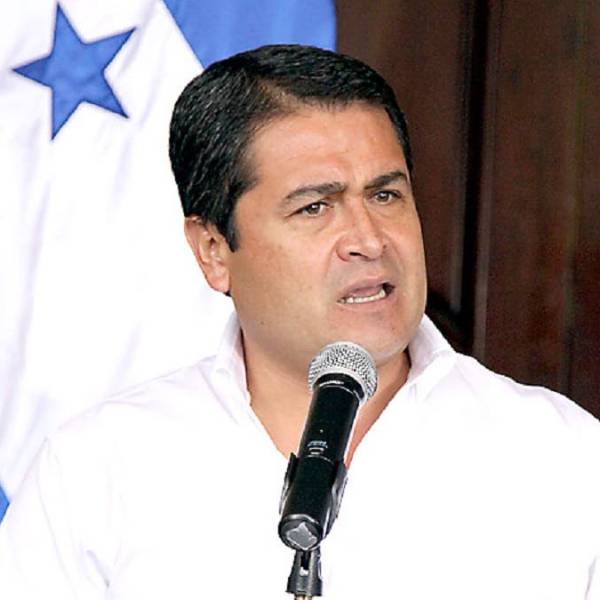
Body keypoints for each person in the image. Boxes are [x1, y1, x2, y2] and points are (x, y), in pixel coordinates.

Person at [0, 44, 599, 600]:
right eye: (315, 207)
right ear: (213, 250)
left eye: (385, 196)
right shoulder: (95, 471)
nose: (368, 240)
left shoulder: (562, 457)